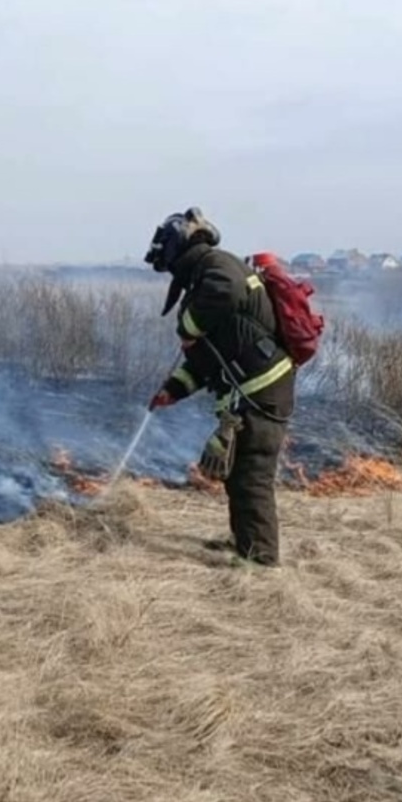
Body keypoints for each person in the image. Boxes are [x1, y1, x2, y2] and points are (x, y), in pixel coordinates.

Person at [143, 207, 297, 567]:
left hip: (262, 394)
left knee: (252, 477)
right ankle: (244, 544)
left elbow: (222, 294)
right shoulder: (204, 277)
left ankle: (260, 562)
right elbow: (206, 361)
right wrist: (174, 389)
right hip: (251, 394)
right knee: (238, 477)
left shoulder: (218, 266)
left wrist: (189, 326)